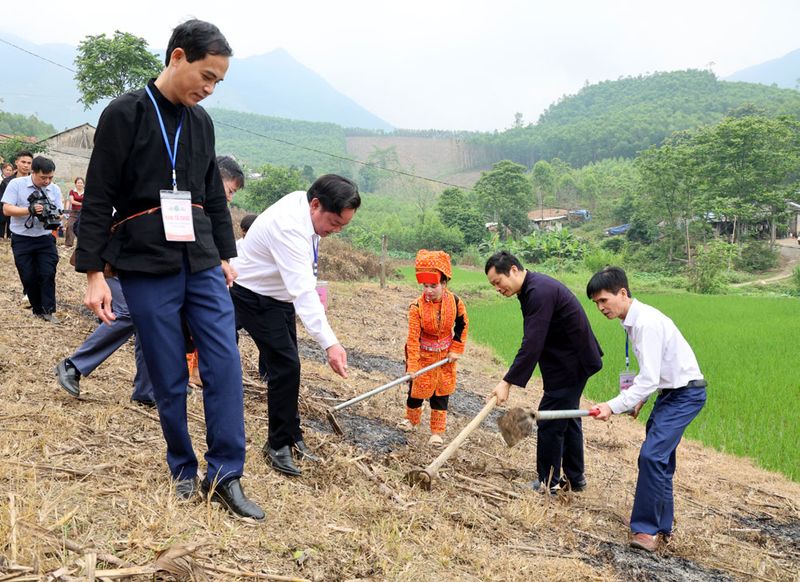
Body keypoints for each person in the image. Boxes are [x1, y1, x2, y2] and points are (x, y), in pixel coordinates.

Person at [74, 19, 263, 520]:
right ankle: (181, 467)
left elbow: (214, 199)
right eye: (207, 75)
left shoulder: (202, 123)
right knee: (166, 368)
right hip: (145, 258)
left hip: (200, 257)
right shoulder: (125, 113)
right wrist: (94, 273)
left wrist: (225, 256)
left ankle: (226, 474)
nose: (210, 88)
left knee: (223, 361)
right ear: (178, 57)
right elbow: (99, 194)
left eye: (218, 81)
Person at [230, 174, 359, 477]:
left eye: (343, 226)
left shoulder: (306, 208)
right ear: (316, 204)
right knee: (285, 367)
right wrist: (330, 343)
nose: (336, 231)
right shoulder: (289, 226)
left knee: (289, 366)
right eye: (335, 223)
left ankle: (290, 434)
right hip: (251, 293)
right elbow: (304, 292)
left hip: (277, 297)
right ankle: (277, 446)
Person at [586, 266, 706, 553]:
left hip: (685, 395)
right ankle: (662, 527)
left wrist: (612, 406)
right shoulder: (633, 320)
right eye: (596, 303)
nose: (600, 308)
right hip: (671, 393)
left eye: (604, 300)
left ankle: (646, 530)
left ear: (622, 293)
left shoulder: (646, 323)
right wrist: (638, 398)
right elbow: (653, 372)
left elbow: (649, 378)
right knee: (659, 460)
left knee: (652, 456)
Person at [486, 251, 603, 493]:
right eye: (493, 285)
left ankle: (548, 483)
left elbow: (532, 342)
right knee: (567, 417)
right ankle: (575, 478)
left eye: (498, 281)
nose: (497, 288)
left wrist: (507, 382)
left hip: (572, 363)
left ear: (514, 270)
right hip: (569, 362)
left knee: (550, 421)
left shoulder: (538, 291)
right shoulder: (531, 289)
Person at [401, 250, 468, 447]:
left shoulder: (455, 302)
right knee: (416, 390)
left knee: (441, 392)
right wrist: (413, 366)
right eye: (425, 286)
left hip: (446, 356)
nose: (428, 290)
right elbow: (413, 338)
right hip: (423, 355)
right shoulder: (416, 307)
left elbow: (462, 325)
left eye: (433, 286)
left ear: (444, 283)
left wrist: (456, 349)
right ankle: (411, 420)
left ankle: (437, 432)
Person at [54, 276, 156, 406]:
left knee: (149, 321)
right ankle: (73, 365)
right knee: (130, 312)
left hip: (148, 272)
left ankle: (145, 392)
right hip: (115, 268)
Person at [1, 156, 62, 323]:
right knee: (28, 276)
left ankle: (48, 311)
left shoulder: (54, 189)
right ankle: (37, 309)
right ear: (33, 172)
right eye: (43, 177)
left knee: (48, 273)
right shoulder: (16, 184)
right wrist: (30, 210)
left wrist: (55, 214)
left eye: (50, 177)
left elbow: (59, 211)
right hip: (22, 239)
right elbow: (7, 209)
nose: (47, 181)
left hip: (45, 238)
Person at [0, 153, 34, 241]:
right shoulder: (7, 182)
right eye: (23, 162)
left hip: (29, 219)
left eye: (29, 163)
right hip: (10, 216)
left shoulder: (35, 182)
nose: (26, 165)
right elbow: (2, 203)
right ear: (16, 162)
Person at [64, 177, 85, 247]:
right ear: (75, 184)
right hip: (74, 212)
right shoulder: (72, 191)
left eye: (81, 183)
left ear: (84, 184)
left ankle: (82, 244)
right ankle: (68, 244)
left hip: (83, 212)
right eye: (78, 183)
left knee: (82, 227)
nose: (80, 184)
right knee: (70, 225)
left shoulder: (86, 192)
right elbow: (72, 201)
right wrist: (82, 204)